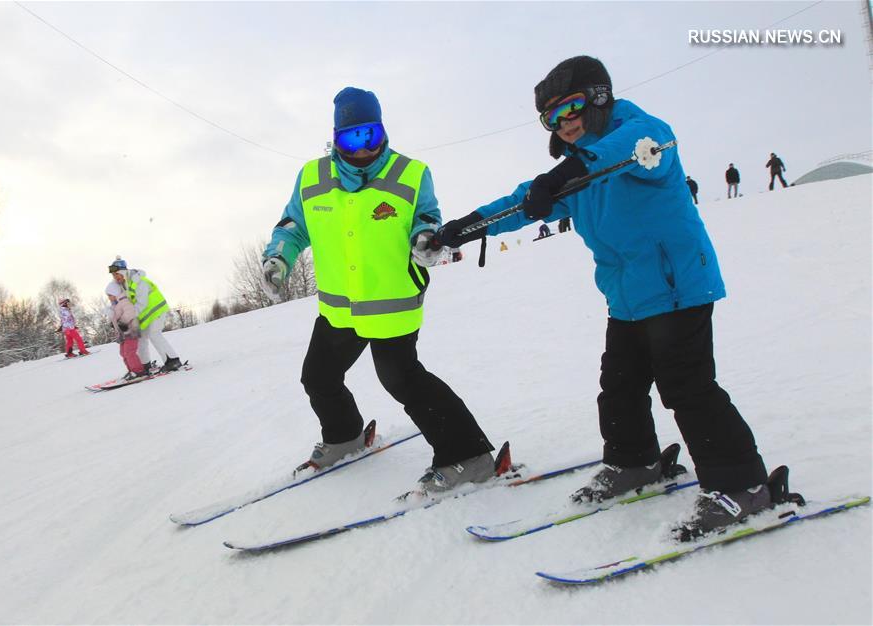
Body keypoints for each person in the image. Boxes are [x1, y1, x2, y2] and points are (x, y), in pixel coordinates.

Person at [435, 56, 775, 539]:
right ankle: (633, 464)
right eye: (551, 118)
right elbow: (516, 205)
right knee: (618, 383)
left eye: (570, 108)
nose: (563, 123)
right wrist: (458, 232)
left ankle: (743, 487)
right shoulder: (575, 173)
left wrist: (561, 178)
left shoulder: (645, 134)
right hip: (627, 298)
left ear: (597, 99)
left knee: (687, 387)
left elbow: (618, 154)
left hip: (677, 285)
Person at [261, 87, 497, 493]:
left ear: (382, 131)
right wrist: (278, 257)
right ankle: (344, 437)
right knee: (318, 376)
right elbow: (293, 226)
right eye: (350, 138)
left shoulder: (411, 172)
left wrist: (426, 240)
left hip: (392, 305)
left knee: (402, 380)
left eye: (369, 135)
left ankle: (469, 456)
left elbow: (427, 217)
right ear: (335, 139)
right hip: (339, 307)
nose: (362, 148)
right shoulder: (312, 177)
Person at [108, 257, 182, 373]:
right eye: (113, 275)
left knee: (154, 334)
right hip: (146, 316)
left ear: (123, 272)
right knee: (141, 339)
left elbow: (141, 304)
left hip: (156, 311)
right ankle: (145, 366)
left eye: (117, 274)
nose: (116, 277)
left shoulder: (139, 282)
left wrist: (126, 320)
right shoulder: (125, 285)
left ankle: (173, 360)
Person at [105, 281, 147, 380]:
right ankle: (131, 370)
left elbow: (130, 314)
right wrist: (112, 321)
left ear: (115, 293)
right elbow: (116, 318)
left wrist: (121, 323)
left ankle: (138, 371)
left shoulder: (124, 302)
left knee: (129, 352)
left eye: (110, 295)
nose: (109, 298)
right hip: (123, 333)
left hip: (131, 330)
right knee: (123, 353)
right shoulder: (115, 306)